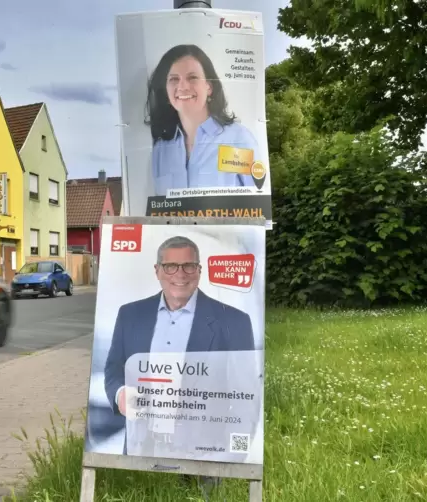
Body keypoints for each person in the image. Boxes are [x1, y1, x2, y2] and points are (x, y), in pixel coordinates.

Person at [103, 235, 255, 424]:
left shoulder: (234, 321)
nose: (180, 274)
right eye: (170, 266)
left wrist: (233, 452)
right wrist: (120, 393)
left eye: (189, 266)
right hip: (140, 444)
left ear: (199, 270)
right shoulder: (130, 315)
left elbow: (247, 396)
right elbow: (114, 368)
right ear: (157, 271)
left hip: (205, 450)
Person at [146, 44, 259, 195]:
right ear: (166, 91)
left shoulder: (237, 140)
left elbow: (260, 209)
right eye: (174, 79)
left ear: (209, 87)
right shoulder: (160, 150)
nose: (183, 86)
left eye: (192, 77)